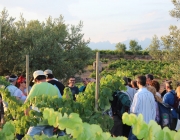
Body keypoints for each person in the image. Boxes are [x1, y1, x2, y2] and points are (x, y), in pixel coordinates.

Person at [25, 70, 60, 137]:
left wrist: (27, 117)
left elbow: (27, 103)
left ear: (36, 80)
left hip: (38, 119)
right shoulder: (54, 88)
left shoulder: (36, 87)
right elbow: (58, 106)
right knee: (48, 138)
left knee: (29, 137)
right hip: (50, 119)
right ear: (45, 77)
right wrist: (57, 121)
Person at [128, 75, 156, 140]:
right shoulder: (150, 94)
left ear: (138, 82)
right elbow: (153, 110)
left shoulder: (138, 95)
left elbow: (134, 110)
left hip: (138, 125)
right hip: (148, 125)